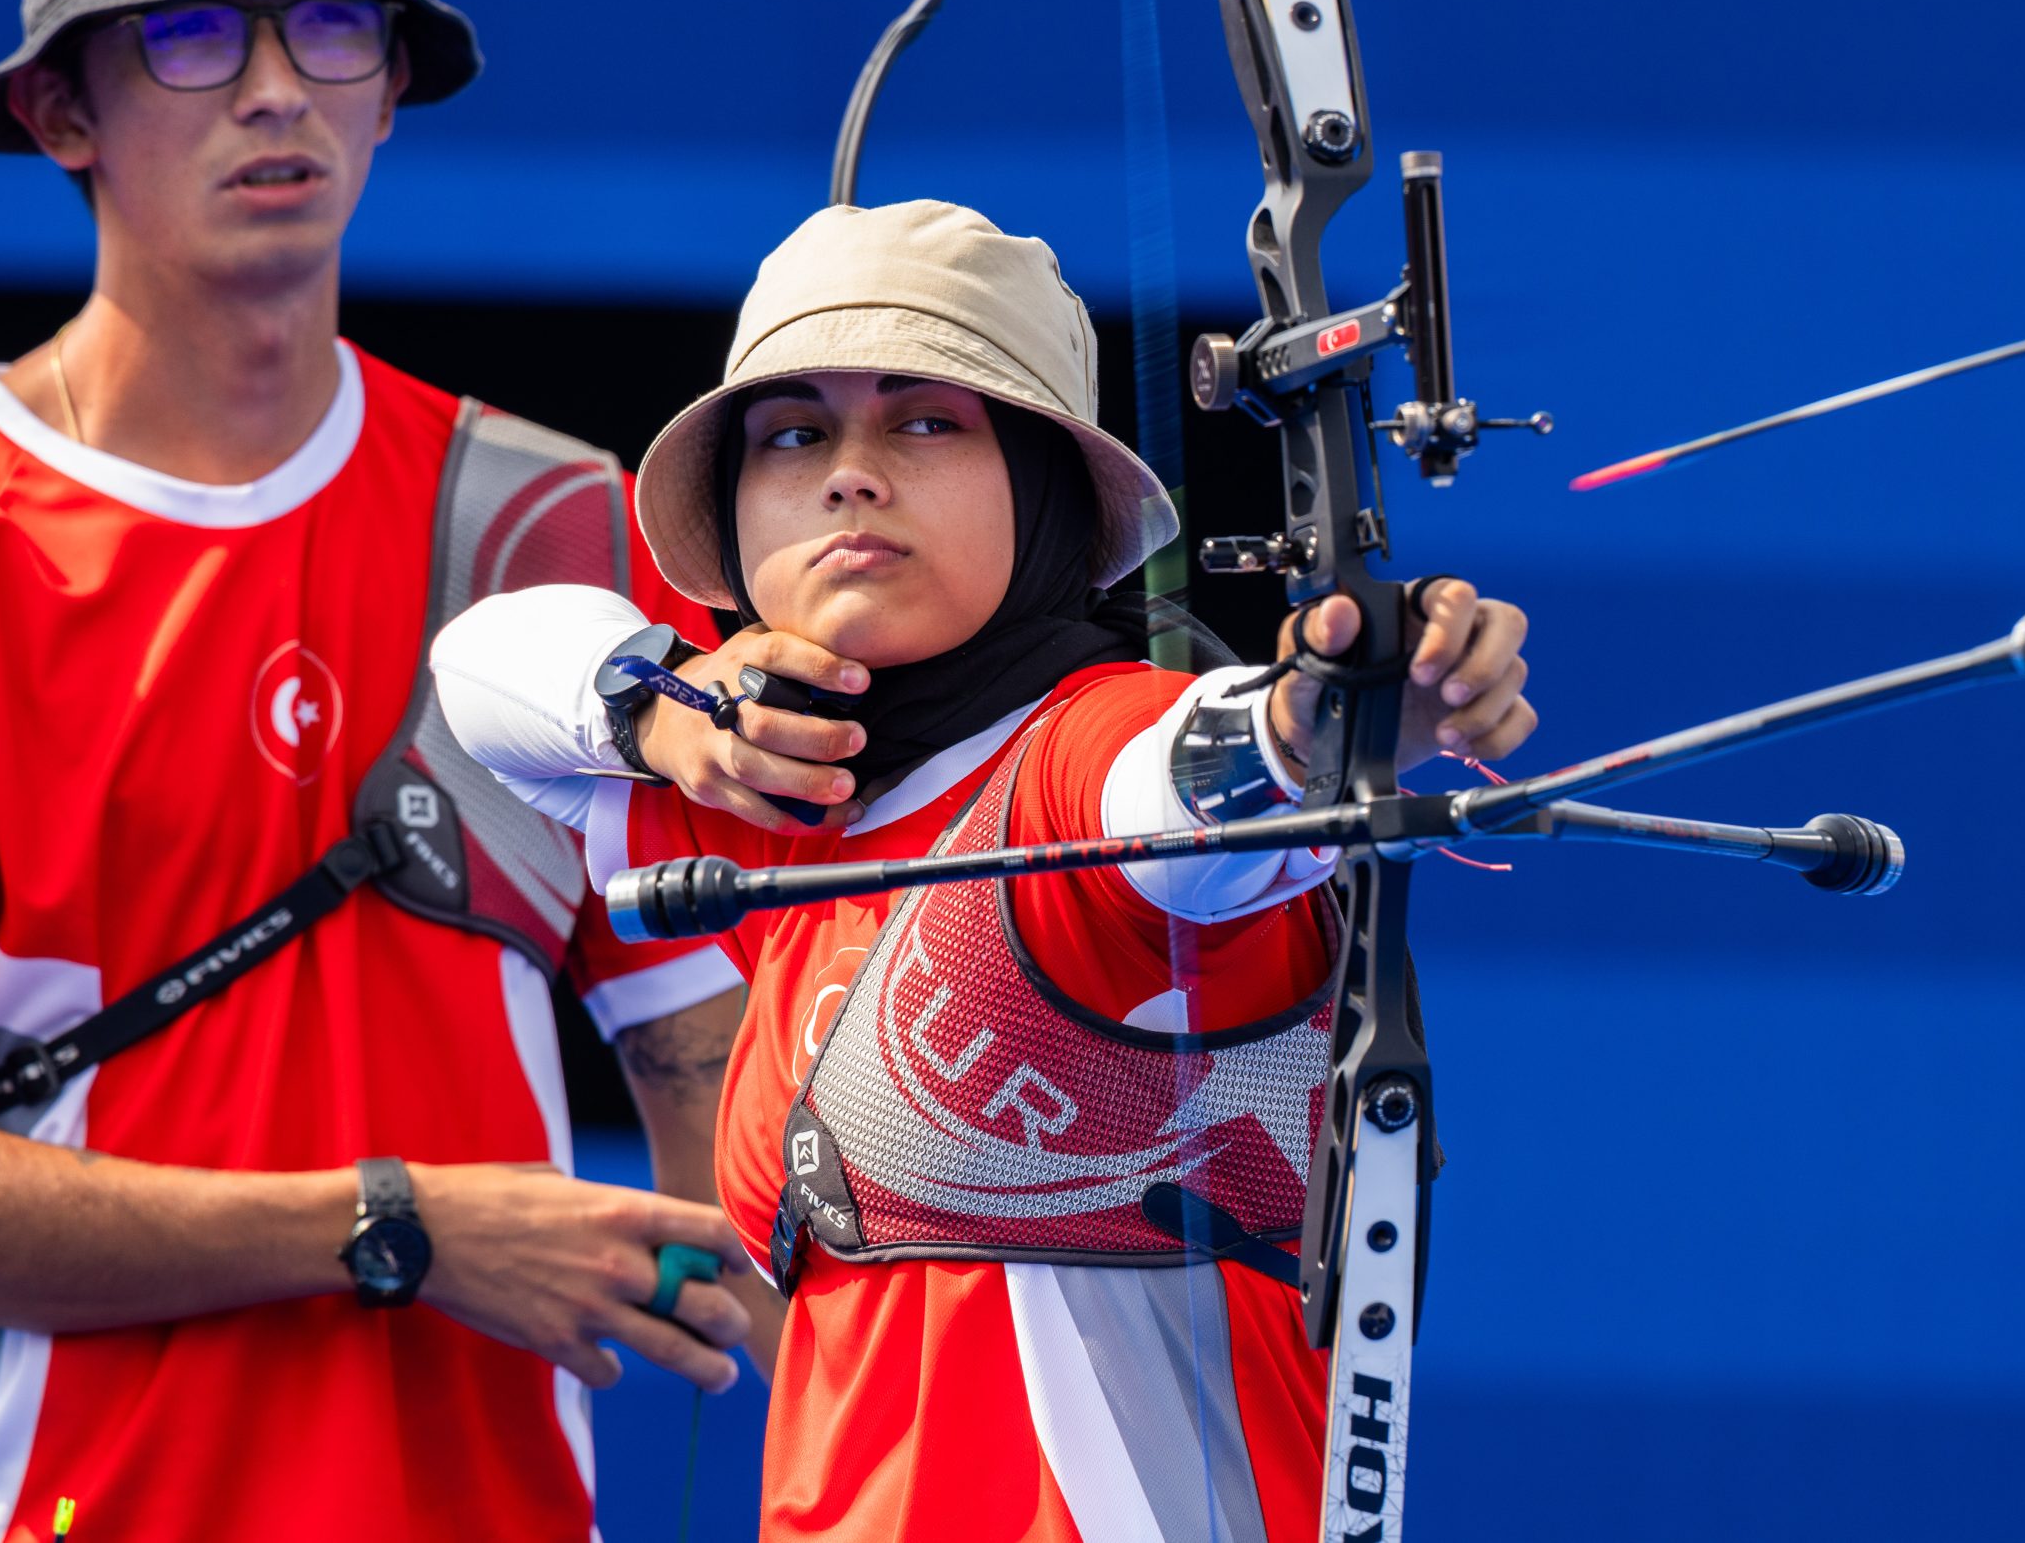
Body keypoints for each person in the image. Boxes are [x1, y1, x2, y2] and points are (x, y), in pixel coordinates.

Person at [0, 0, 767, 1542]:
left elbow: (714, 1084)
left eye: (333, 25)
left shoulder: (550, 522)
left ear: (390, 89)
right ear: (63, 107)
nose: (278, 86)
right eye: (196, 32)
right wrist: (397, 1223)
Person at [430, 198, 1539, 1538]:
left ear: (1049, 491)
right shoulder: (786, 800)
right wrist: (655, 710)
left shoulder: (1088, 746)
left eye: (924, 421)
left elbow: (1188, 787)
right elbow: (478, 671)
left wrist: (1329, 715)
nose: (850, 471)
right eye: (795, 432)